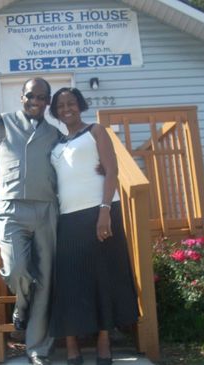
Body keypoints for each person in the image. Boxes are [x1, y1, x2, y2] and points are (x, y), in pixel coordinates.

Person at [0, 78, 59, 365]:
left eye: (42, 97)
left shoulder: (55, 134)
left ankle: (37, 348)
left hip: (46, 209)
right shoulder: (3, 122)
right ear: (21, 97)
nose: (36, 101)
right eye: (31, 95)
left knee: (45, 278)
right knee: (16, 267)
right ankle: (21, 305)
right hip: (10, 209)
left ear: (47, 101)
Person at [49, 87, 139, 365]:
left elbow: (112, 170)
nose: (67, 108)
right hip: (67, 219)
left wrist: (104, 212)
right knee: (70, 281)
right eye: (61, 105)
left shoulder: (96, 131)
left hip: (99, 211)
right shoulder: (56, 142)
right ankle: (72, 343)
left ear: (80, 105)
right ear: (55, 111)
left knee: (103, 276)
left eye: (72, 103)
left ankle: (103, 339)